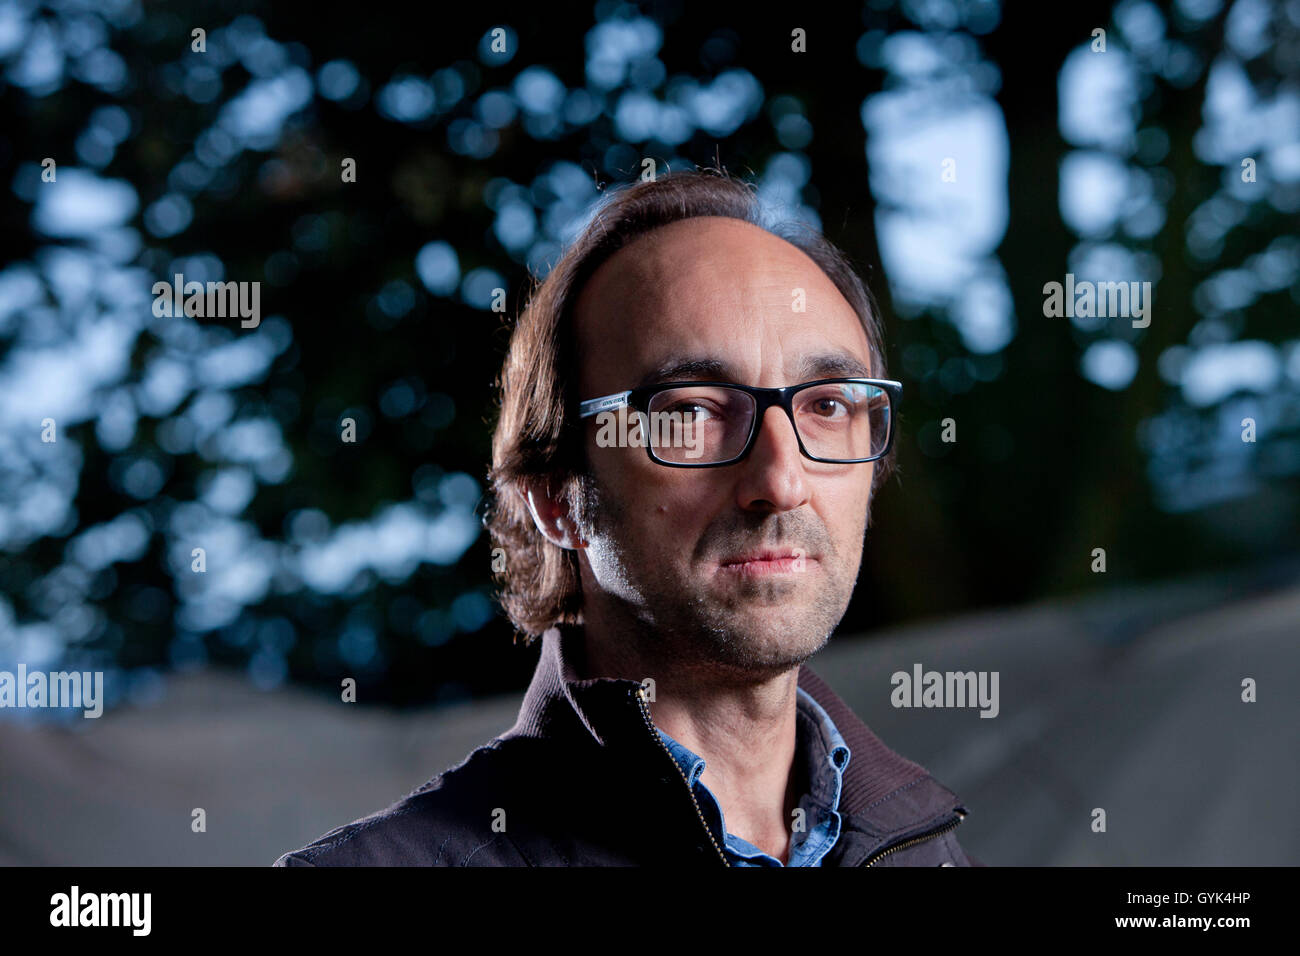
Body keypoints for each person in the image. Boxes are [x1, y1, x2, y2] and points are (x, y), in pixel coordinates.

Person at [274, 168, 982, 867]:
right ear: (557, 494)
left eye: (827, 406)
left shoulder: (931, 854)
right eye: (691, 413)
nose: (782, 480)